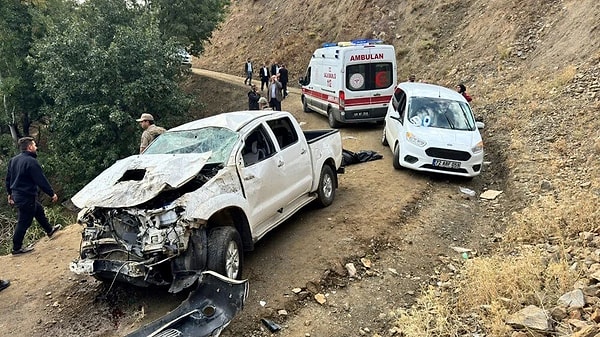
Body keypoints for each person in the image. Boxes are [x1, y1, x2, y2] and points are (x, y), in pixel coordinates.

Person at [5, 137, 61, 255]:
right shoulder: (31, 162)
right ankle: (17, 248)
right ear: (30, 147)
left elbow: (8, 179)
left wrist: (9, 194)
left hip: (18, 195)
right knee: (24, 221)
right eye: (35, 145)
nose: (36, 147)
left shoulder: (14, 160)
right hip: (25, 196)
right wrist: (51, 193)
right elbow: (41, 180)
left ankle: (49, 230)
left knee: (38, 210)